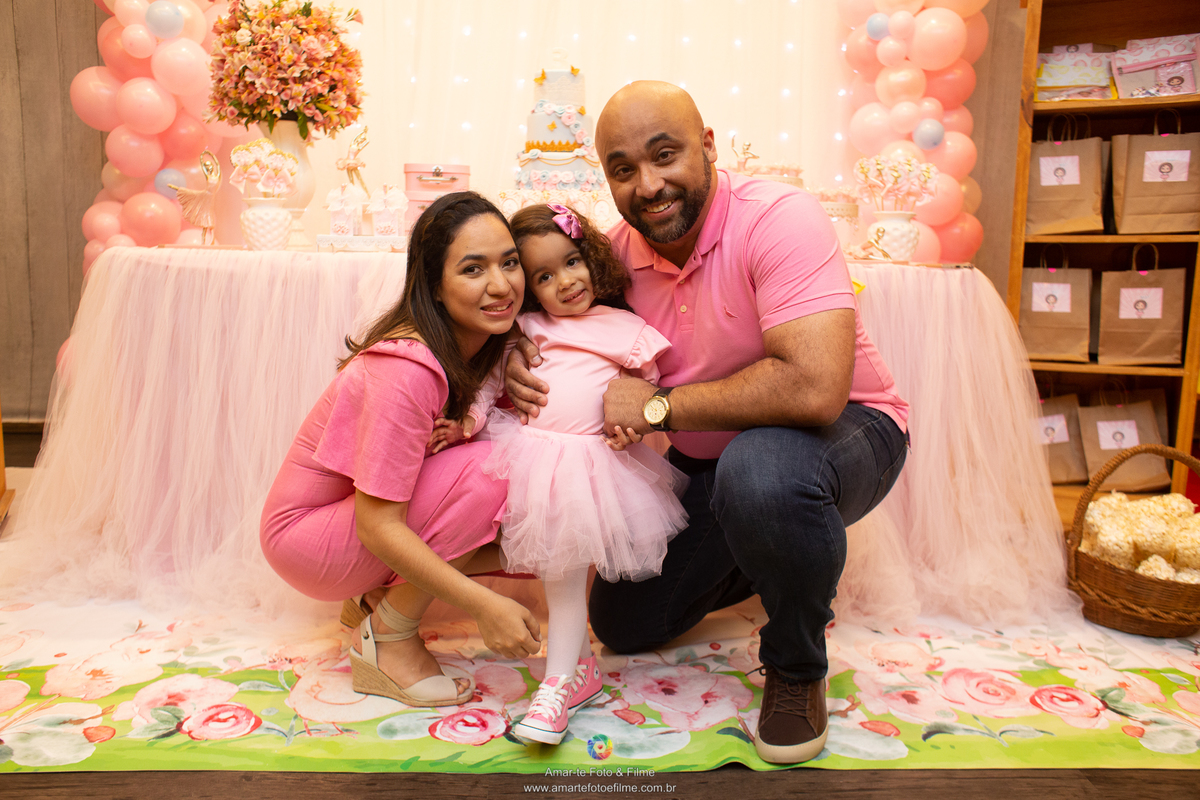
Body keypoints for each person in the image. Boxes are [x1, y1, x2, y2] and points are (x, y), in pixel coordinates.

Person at [505, 82, 910, 764]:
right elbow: (559, 318)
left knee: (763, 473)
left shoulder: (779, 217)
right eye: (624, 169)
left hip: (848, 432)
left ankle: (795, 662)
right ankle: (777, 553)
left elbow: (814, 390)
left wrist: (658, 408)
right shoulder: (609, 257)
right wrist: (516, 351)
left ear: (709, 147)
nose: (649, 184)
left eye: (666, 155)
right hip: (712, 462)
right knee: (627, 623)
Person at [260, 191, 542, 708]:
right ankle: (389, 635)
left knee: (540, 516)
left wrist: (517, 344)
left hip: (348, 526)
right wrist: (484, 606)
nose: (501, 285)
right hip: (307, 540)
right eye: (474, 269)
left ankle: (371, 603)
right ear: (434, 286)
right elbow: (378, 525)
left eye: (509, 263)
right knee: (495, 469)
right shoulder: (407, 369)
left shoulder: (480, 342)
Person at [437, 203, 688, 745]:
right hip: (525, 458)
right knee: (544, 568)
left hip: (587, 469)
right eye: (544, 276)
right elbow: (487, 387)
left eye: (571, 262)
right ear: (528, 289)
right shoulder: (525, 329)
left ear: (592, 257)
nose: (565, 282)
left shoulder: (630, 331)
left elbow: (645, 400)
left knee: (566, 579)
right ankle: (580, 672)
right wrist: (467, 423)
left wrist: (635, 427)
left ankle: (555, 687)